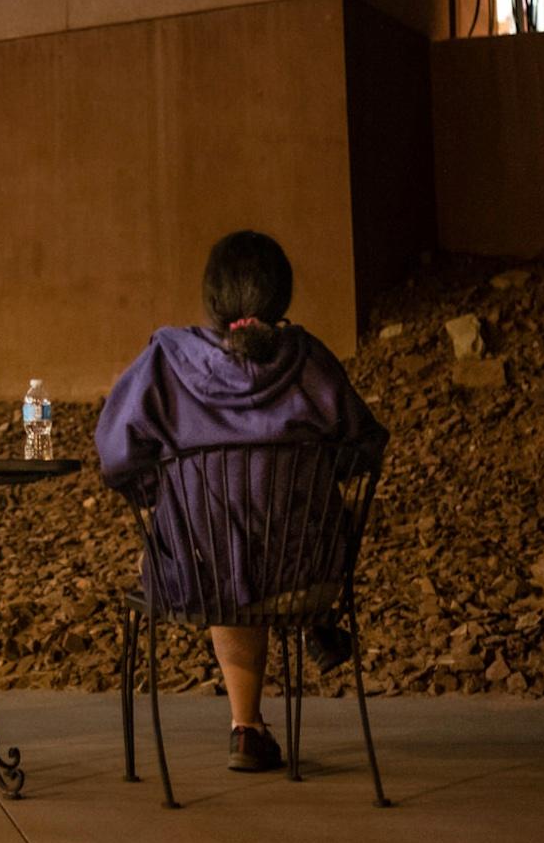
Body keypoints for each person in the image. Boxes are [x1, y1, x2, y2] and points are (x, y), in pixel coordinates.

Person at [95, 230, 388, 773]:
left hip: (201, 572)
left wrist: (168, 493)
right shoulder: (308, 359)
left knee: (213, 539)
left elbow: (116, 457)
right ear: (281, 294)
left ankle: (246, 725)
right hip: (307, 569)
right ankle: (306, 639)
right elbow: (364, 448)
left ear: (213, 297)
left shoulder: (164, 360)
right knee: (256, 535)